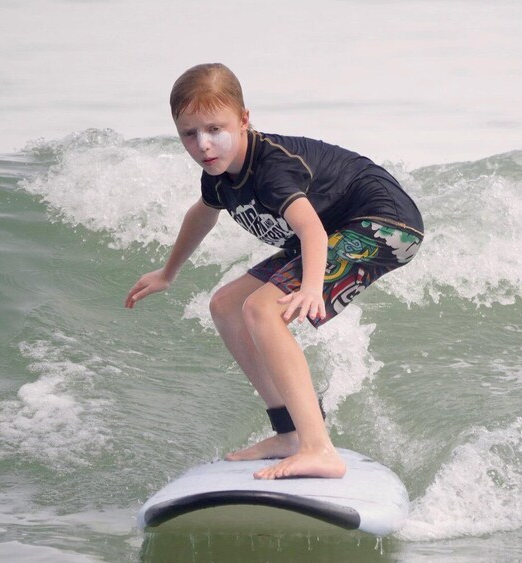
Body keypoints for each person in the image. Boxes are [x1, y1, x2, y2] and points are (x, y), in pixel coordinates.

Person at [124, 63, 423, 480]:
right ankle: (290, 433)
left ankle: (319, 448)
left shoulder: (271, 170)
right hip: (336, 227)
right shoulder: (219, 175)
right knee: (227, 304)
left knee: (262, 309)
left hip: (386, 224)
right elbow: (202, 215)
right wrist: (167, 273)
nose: (204, 145)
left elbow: (311, 230)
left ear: (244, 120)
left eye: (215, 128)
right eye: (189, 134)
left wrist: (313, 288)